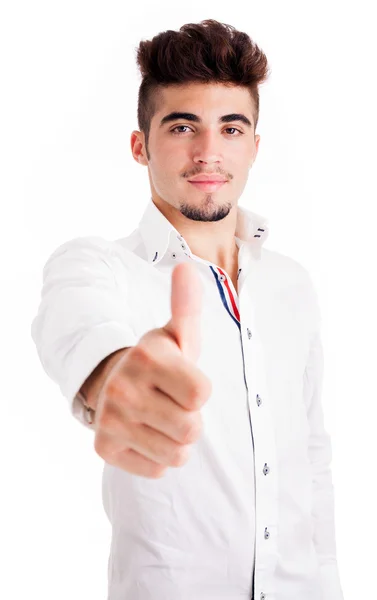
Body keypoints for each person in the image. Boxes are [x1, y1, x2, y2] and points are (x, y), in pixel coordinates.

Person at [31, 18, 344, 600]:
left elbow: (313, 465)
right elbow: (78, 328)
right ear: (140, 145)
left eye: (231, 128)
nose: (208, 152)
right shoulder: (97, 267)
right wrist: (114, 377)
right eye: (182, 126)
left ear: (254, 146)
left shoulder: (291, 286)